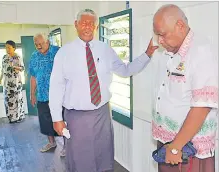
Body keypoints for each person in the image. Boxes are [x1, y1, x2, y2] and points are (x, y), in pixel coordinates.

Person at [49, 9, 158, 172]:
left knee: (104, 157)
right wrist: (57, 118)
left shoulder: (105, 49)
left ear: (96, 26)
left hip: (102, 114)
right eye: (84, 23)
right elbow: (56, 86)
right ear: (76, 25)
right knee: (80, 160)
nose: (88, 27)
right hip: (76, 117)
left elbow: (125, 70)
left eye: (91, 23)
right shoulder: (64, 53)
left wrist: (147, 54)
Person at [152, 4, 218, 172]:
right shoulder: (172, 52)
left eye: (162, 35)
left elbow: (202, 105)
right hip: (171, 143)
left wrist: (176, 146)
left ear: (180, 26)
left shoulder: (200, 51)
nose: (160, 41)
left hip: (187, 148)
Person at [29, 33, 66, 156]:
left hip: (60, 96)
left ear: (48, 42)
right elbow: (33, 76)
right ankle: (52, 143)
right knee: (45, 121)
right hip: (43, 95)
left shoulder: (58, 52)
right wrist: (32, 94)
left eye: (41, 43)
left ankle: (66, 146)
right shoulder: (34, 56)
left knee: (62, 120)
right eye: (36, 44)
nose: (38, 46)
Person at [0, 40, 25, 123]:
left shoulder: (18, 57)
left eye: (9, 48)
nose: (7, 49)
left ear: (14, 48)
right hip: (6, 83)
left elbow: (22, 68)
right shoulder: (4, 57)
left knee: (17, 100)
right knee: (8, 101)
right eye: (6, 47)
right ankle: (11, 118)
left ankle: (18, 117)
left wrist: (15, 67)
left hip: (16, 83)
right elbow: (3, 70)